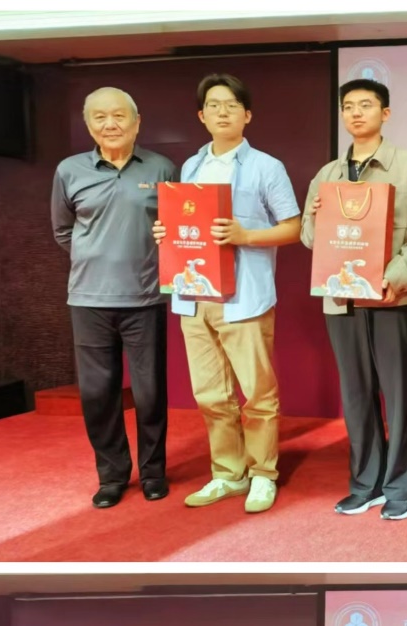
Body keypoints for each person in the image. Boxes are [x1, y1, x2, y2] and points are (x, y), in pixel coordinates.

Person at [150, 73, 301, 515]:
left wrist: (244, 235)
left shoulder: (267, 167)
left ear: (247, 115)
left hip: (245, 299)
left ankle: (263, 474)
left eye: (231, 105)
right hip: (194, 295)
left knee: (258, 393)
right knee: (211, 395)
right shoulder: (190, 167)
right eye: (214, 105)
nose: (222, 112)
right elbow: (187, 226)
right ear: (201, 116)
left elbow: (293, 228)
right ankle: (228, 474)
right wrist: (166, 233)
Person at [302, 79, 407, 519]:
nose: (356, 113)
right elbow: (309, 239)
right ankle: (365, 483)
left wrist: (392, 278)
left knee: (397, 394)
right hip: (340, 300)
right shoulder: (327, 175)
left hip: (392, 297)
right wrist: (316, 219)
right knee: (356, 393)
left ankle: (401, 485)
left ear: (385, 113)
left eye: (366, 105)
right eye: (348, 106)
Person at [50, 87, 175, 508]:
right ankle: (112, 475)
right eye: (100, 117)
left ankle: (154, 472)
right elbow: (63, 230)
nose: (110, 124)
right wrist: (96, 257)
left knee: (150, 392)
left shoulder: (162, 167)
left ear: (137, 122)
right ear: (89, 125)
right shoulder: (69, 170)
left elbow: (178, 229)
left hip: (146, 299)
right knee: (98, 394)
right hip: (89, 301)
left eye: (119, 116)